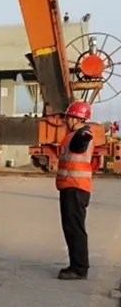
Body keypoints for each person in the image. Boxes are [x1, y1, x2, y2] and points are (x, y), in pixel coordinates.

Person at [56, 101, 95, 281]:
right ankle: (76, 265)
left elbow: (81, 142)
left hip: (75, 187)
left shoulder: (80, 135)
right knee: (71, 228)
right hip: (71, 186)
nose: (65, 120)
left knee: (75, 229)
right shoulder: (74, 134)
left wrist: (84, 135)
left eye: (68, 117)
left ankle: (79, 269)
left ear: (76, 118)